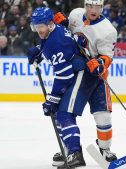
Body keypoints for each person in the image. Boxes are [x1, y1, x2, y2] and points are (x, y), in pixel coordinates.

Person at [27, 7, 94, 169]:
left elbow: (64, 76)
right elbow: (49, 45)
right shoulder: (52, 31)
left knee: (63, 112)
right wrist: (39, 51)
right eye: (36, 27)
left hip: (81, 74)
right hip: (76, 71)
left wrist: (52, 98)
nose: (38, 30)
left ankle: (75, 153)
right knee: (58, 112)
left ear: (50, 24)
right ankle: (68, 149)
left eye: (40, 26)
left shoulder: (56, 42)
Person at [53, 0, 118, 164]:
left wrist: (100, 63)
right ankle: (70, 149)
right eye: (89, 6)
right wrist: (64, 25)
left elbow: (107, 56)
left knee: (103, 116)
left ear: (102, 8)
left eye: (96, 7)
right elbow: (69, 36)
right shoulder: (75, 14)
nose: (93, 10)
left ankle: (105, 149)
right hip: (78, 73)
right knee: (65, 111)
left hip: (97, 77)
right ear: (85, 6)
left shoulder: (107, 30)